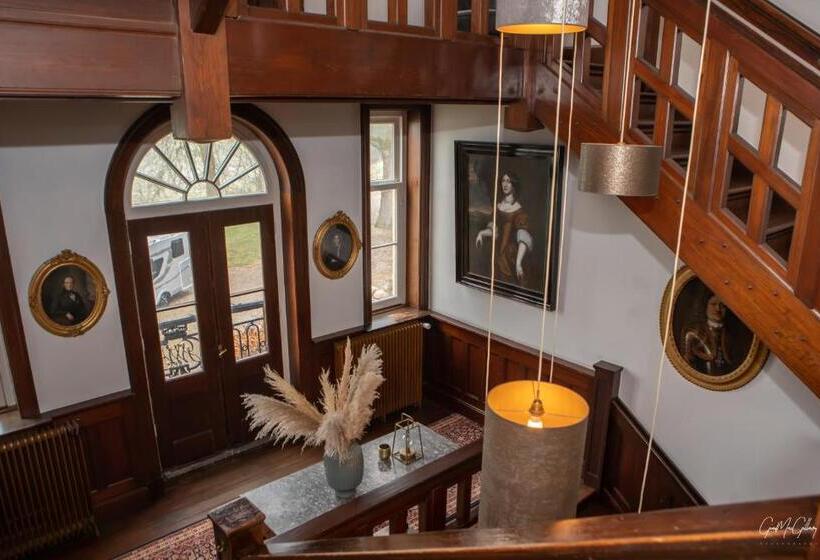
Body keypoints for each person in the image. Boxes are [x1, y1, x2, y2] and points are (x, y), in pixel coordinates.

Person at [475, 172, 534, 285]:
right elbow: (494, 230)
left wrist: (518, 263)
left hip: (510, 256)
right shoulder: (498, 207)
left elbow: (523, 237)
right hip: (496, 253)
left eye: (508, 181)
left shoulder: (518, 210)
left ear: (514, 185)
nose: (505, 184)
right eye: (503, 181)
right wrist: (481, 233)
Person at [682, 295, 732, 375]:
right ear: (705, 306)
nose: (718, 309)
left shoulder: (733, 335)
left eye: (723, 306)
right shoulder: (693, 332)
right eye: (713, 304)